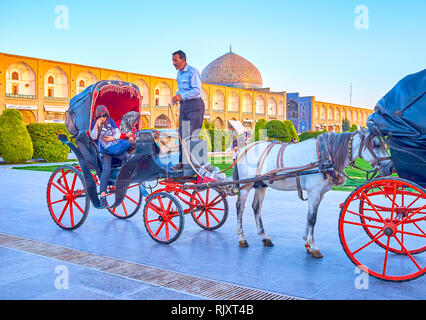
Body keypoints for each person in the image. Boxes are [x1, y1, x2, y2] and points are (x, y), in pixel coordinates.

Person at [170, 50, 205, 171]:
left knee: (192, 134)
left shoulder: (192, 72)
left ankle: (192, 164)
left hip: (195, 105)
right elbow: (181, 90)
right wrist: (176, 97)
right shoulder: (179, 74)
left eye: (176, 60)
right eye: (173, 60)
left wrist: (181, 96)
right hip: (184, 106)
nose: (174, 63)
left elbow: (197, 90)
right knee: (182, 135)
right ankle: (182, 162)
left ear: (183, 60)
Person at [90, 105, 121, 208]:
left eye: (104, 115)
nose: (102, 117)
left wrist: (113, 137)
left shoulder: (111, 121)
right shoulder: (95, 123)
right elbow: (93, 137)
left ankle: (121, 180)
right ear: (97, 116)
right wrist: (96, 126)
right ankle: (102, 195)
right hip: (104, 151)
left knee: (127, 158)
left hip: (114, 146)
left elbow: (118, 133)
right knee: (106, 169)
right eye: (100, 116)